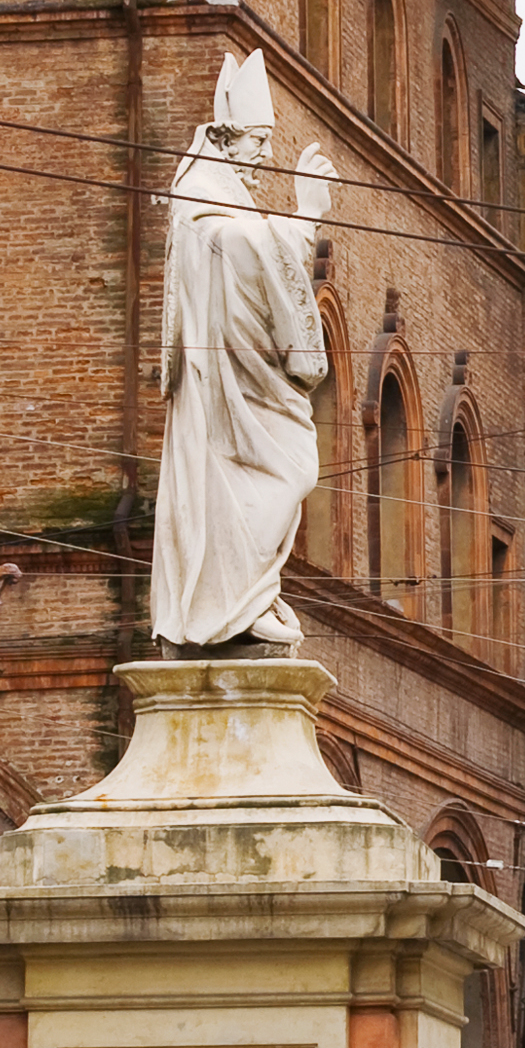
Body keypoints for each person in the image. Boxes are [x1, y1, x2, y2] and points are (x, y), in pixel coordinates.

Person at [149, 47, 337, 651]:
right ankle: (234, 598)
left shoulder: (223, 187)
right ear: (230, 141)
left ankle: (247, 592)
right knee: (293, 468)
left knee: (293, 470)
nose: (265, 160)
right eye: (259, 146)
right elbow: (237, 248)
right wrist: (304, 215)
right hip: (221, 390)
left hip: (242, 381)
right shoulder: (203, 193)